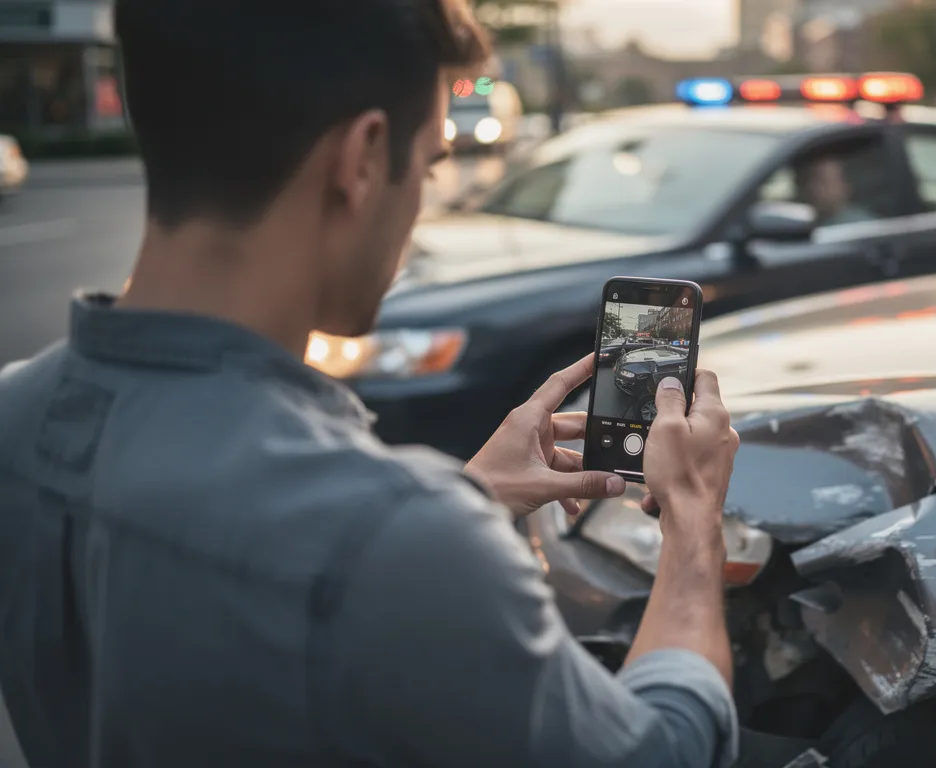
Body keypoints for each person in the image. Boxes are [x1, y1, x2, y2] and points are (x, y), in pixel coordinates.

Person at [0, 1, 741, 767]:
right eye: (427, 164)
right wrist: (691, 518)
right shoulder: (395, 540)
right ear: (361, 160)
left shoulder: (15, 415)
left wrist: (471, 494)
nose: (420, 206)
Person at [797, 155, 876, 225]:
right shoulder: (811, 221)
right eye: (811, 181)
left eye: (823, 182)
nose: (813, 189)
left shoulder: (861, 226)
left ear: (845, 187)